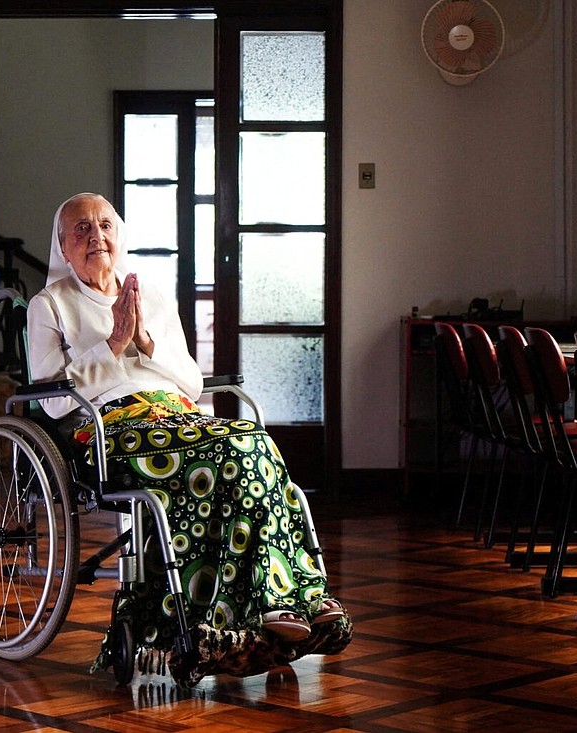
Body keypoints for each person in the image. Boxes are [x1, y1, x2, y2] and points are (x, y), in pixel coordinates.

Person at [26, 192, 351, 687]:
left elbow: (191, 382)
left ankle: (288, 599)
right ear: (63, 248)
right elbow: (52, 400)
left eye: (106, 225)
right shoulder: (48, 304)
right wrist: (113, 343)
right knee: (231, 448)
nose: (96, 237)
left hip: (175, 418)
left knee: (249, 441)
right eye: (81, 230)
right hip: (108, 430)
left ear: (121, 234)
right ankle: (250, 609)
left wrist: (144, 342)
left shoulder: (151, 296)